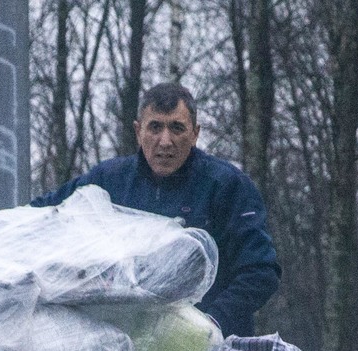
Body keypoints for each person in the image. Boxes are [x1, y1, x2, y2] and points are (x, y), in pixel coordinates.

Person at [31, 80, 281, 337]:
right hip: (124, 347)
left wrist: (212, 323)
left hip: (212, 346)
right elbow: (41, 215)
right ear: (138, 131)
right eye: (155, 127)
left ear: (195, 133)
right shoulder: (109, 181)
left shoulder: (227, 186)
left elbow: (261, 271)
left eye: (177, 128)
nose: (165, 141)